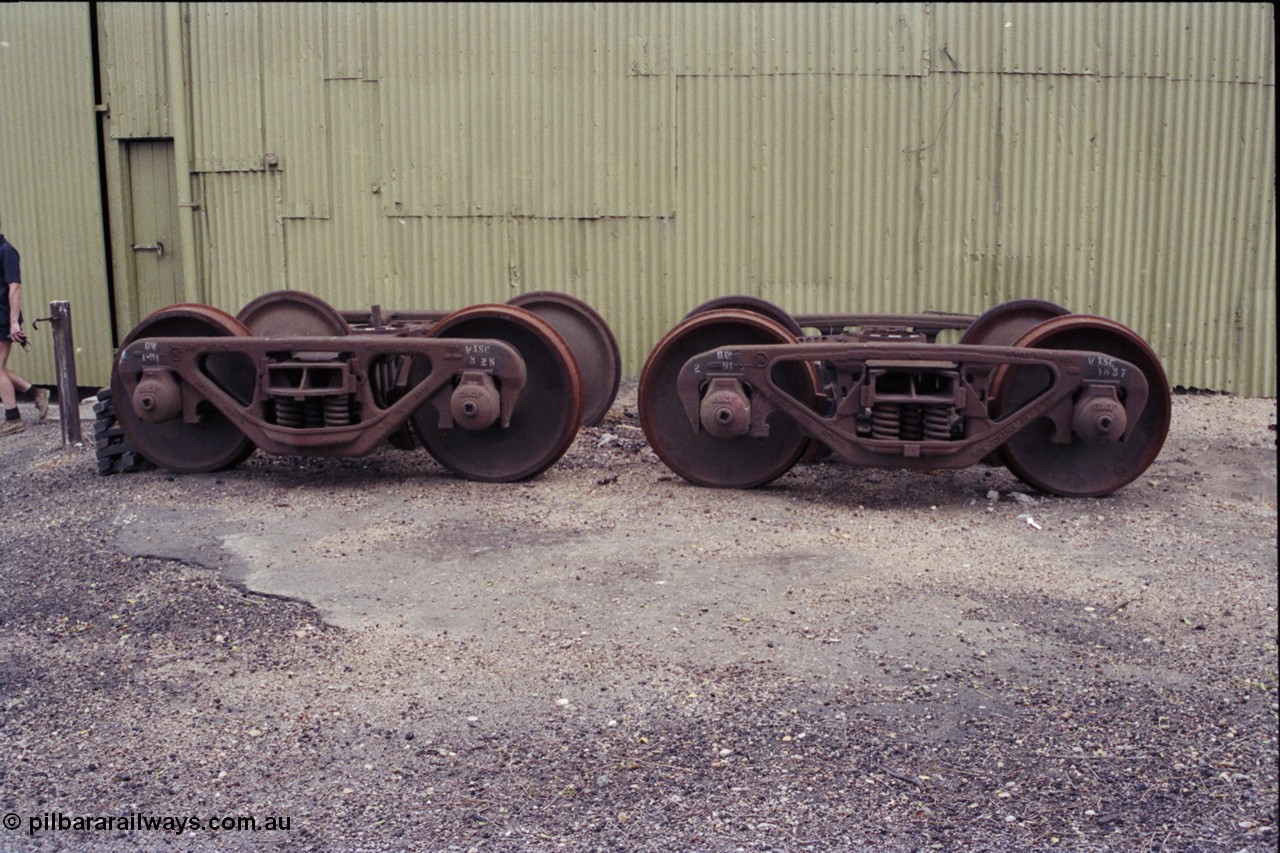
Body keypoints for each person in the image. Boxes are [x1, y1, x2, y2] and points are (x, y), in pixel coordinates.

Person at [1, 232, 49, 436]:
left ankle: (13, 419)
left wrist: (13, 323)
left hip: (3, 317)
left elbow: (15, 287)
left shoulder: (7, 251)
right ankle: (35, 392)